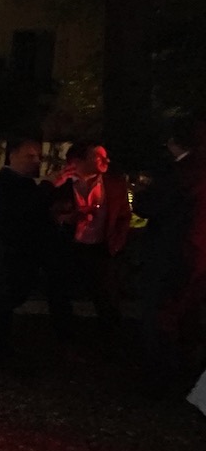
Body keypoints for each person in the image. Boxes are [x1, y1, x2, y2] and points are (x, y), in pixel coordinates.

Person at [134, 116, 206, 386]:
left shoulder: (176, 173)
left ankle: (160, 376)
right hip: (198, 253)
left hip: (170, 253)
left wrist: (141, 193)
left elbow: (148, 207)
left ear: (173, 142)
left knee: (160, 314)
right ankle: (189, 372)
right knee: (189, 313)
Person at [0, 138, 65, 357]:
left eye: (38, 157)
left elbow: (35, 213)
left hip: (23, 251)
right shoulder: (1, 184)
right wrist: (47, 187)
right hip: (9, 251)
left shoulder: (24, 183)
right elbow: (21, 212)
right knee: (5, 296)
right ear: (12, 156)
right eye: (30, 156)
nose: (36, 161)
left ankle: (0, 342)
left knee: (14, 295)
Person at [54, 140, 131, 337]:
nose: (107, 160)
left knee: (107, 297)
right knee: (61, 293)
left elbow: (124, 216)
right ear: (77, 161)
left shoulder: (114, 183)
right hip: (68, 248)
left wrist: (116, 243)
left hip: (101, 249)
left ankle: (111, 338)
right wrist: (64, 219)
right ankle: (65, 336)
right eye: (98, 156)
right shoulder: (59, 184)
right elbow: (44, 213)